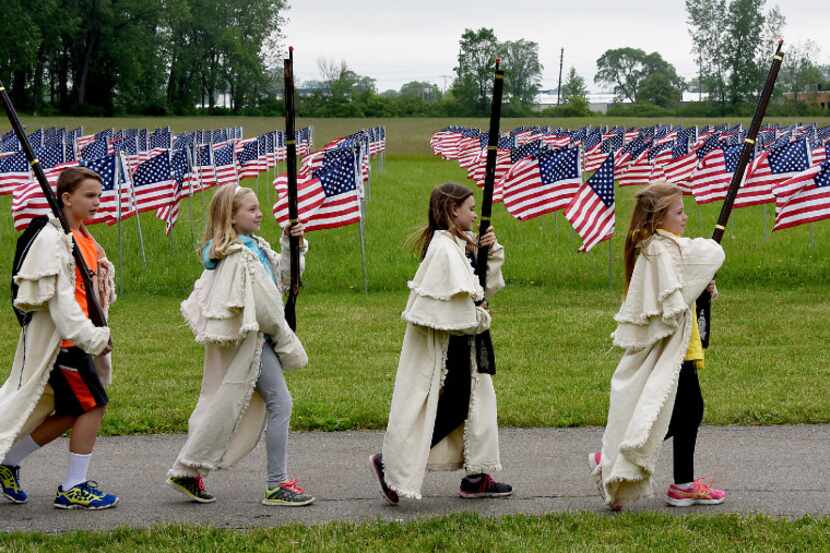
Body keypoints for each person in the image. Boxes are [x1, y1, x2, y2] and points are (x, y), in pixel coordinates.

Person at [166, 185, 314, 506]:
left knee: (222, 406)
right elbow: (265, 307)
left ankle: (187, 471)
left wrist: (292, 245)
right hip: (252, 341)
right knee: (280, 403)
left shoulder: (252, 247)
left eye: (258, 208)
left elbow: (285, 281)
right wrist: (284, 339)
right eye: (251, 209)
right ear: (231, 217)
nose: (259, 213)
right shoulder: (236, 255)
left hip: (255, 341)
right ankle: (276, 484)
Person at [369, 182, 511, 504]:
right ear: (452, 211)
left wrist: (488, 250)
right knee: (458, 404)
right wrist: (480, 318)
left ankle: (476, 476)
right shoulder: (443, 249)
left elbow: (482, 285)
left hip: (466, 342)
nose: (476, 214)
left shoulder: (458, 243)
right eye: (470, 208)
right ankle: (389, 461)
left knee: (475, 405)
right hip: (453, 345)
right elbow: (454, 310)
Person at [589, 181, 726, 510]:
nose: (686, 218)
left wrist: (699, 287)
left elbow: (685, 282)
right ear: (658, 219)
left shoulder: (664, 248)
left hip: (682, 341)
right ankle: (626, 464)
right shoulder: (659, 250)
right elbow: (711, 253)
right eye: (678, 212)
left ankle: (637, 466)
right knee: (688, 412)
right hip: (670, 347)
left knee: (683, 413)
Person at [0, 167, 117, 510]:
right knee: (93, 404)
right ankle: (73, 486)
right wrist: (92, 338)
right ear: (67, 198)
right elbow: (61, 303)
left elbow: (91, 290)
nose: (97, 202)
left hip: (78, 340)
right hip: (65, 344)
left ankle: (8, 462)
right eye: (89, 196)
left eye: (99, 195)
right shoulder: (52, 240)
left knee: (69, 411)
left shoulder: (82, 237)